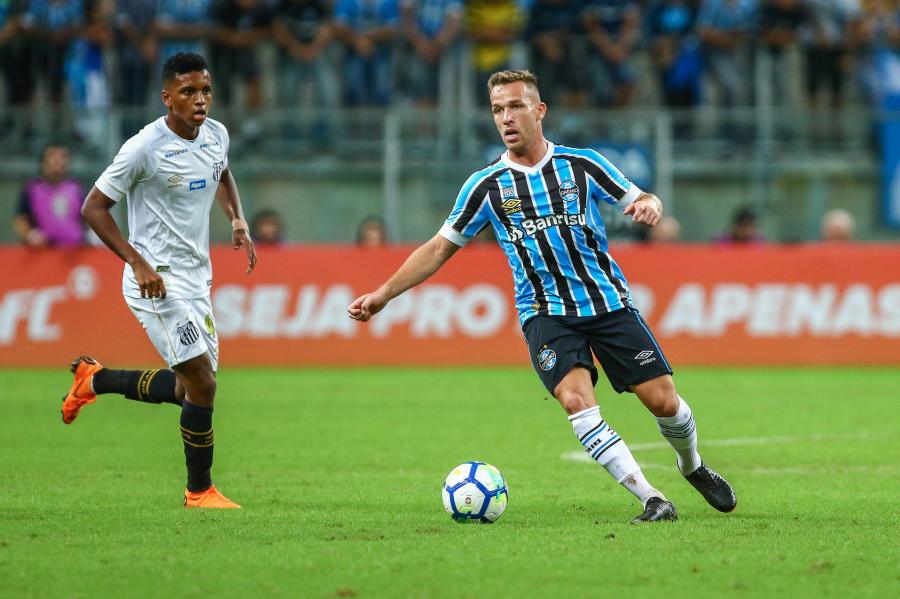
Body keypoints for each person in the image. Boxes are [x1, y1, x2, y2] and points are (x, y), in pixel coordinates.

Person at [348, 70, 736, 524]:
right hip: (544, 313)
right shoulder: (485, 186)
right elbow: (438, 248)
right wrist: (383, 294)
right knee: (576, 400)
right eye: (497, 110)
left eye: (515, 106)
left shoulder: (583, 165)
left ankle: (691, 466)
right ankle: (651, 497)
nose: (506, 118)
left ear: (539, 110)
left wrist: (650, 204)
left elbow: (642, 195)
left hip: (606, 302)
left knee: (664, 402)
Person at [65, 52, 258, 509]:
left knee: (187, 388)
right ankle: (199, 491)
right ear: (167, 97)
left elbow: (222, 173)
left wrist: (237, 219)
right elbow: (93, 207)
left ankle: (95, 379)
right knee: (205, 386)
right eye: (189, 91)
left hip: (196, 281)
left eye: (206, 90)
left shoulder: (216, 135)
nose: (200, 100)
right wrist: (137, 262)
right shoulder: (143, 148)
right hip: (156, 284)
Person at [13, 143, 86, 248]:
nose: (57, 160)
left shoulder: (77, 188)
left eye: (62, 156)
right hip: (42, 251)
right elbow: (21, 218)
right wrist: (30, 235)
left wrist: (91, 236)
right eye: (52, 156)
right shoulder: (31, 188)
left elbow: (88, 218)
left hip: (74, 252)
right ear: (43, 162)